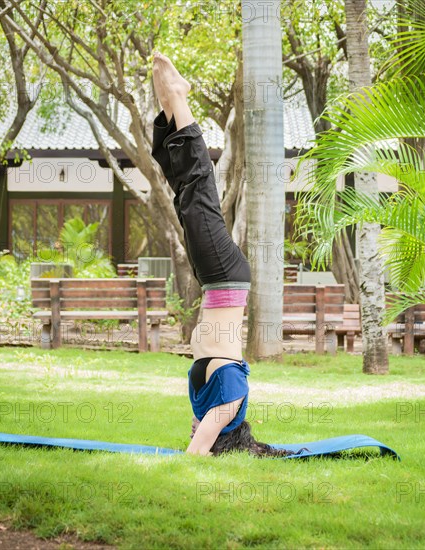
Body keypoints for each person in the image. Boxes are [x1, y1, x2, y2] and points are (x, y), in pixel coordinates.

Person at [151, 52, 300, 457]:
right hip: (226, 277)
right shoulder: (231, 400)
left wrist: (201, 439)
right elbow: (197, 450)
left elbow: (198, 434)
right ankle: (178, 98)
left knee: (186, 197)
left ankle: (168, 110)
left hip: (215, 281)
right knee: (200, 196)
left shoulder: (208, 410)